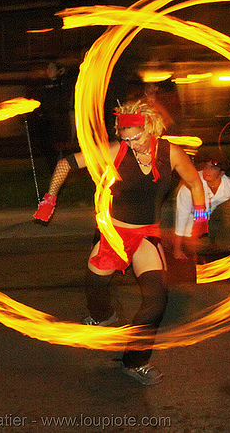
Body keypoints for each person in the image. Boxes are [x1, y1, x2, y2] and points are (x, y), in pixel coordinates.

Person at [33, 97, 205, 385]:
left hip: (146, 236)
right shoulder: (117, 151)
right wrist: (50, 197)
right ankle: (103, 315)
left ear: (151, 127)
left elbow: (195, 183)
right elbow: (66, 163)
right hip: (114, 233)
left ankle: (135, 363)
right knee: (95, 284)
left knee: (156, 302)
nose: (131, 143)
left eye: (136, 137)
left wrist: (201, 222)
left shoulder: (171, 153)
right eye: (126, 138)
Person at [174, 156, 230, 260]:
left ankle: (222, 244)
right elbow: (181, 215)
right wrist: (177, 248)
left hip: (213, 222)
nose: (207, 170)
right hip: (195, 226)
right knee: (201, 250)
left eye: (212, 168)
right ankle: (204, 246)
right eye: (206, 167)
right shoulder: (192, 182)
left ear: (221, 173)